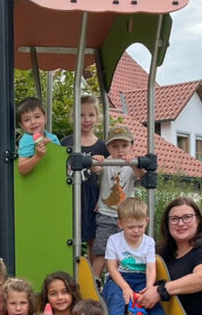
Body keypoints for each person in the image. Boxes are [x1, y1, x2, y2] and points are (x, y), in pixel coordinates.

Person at [103, 197, 190, 315]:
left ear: (147, 221)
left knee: (153, 303)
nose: (136, 231)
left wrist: (150, 288)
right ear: (120, 224)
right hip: (119, 278)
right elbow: (112, 268)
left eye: (140, 226)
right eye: (130, 227)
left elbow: (151, 269)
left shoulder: (149, 242)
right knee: (114, 295)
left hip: (142, 279)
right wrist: (125, 287)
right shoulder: (114, 240)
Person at [90, 126, 143, 280]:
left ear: (132, 146)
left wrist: (134, 163)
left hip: (125, 218)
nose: (120, 150)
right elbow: (96, 169)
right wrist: (96, 160)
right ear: (108, 148)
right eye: (115, 146)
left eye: (125, 146)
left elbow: (142, 175)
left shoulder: (132, 165)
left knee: (123, 251)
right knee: (100, 250)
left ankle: (118, 279)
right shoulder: (107, 163)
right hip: (106, 214)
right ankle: (95, 280)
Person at [61, 95, 109, 259]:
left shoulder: (102, 146)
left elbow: (109, 176)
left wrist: (102, 198)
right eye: (81, 115)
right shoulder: (66, 142)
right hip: (70, 196)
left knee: (93, 240)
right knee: (67, 236)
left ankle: (93, 276)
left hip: (92, 197)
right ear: (74, 117)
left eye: (91, 115)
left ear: (97, 117)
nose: (86, 119)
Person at [16, 97, 60, 176]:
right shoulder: (26, 140)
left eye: (37, 117)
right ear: (22, 125)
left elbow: (60, 159)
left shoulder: (53, 138)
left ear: (45, 118)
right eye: (27, 120)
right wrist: (37, 156)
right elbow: (21, 169)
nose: (33, 122)